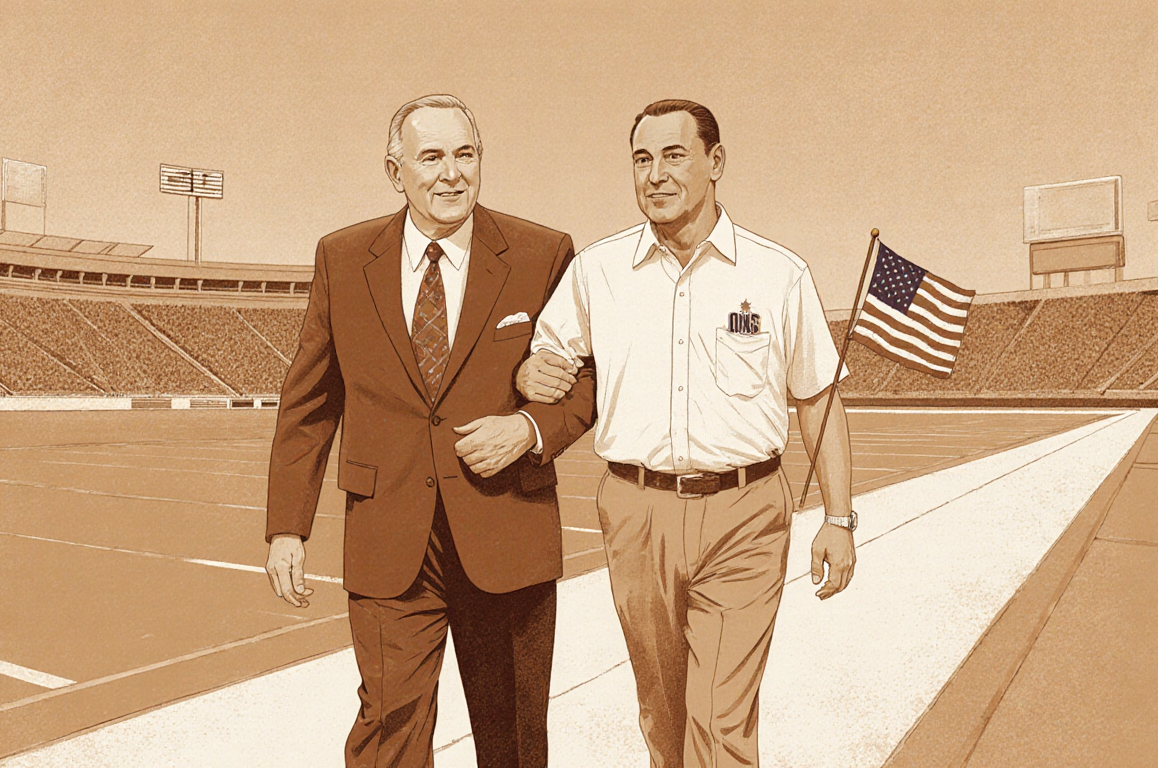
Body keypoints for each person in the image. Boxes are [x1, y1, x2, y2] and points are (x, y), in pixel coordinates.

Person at [516, 99, 857, 768]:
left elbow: (817, 399)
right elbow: (546, 355)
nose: (656, 174)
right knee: (663, 711)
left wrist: (839, 518)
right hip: (635, 512)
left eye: (674, 156)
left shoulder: (777, 274)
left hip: (745, 512)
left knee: (719, 721)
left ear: (715, 162)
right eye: (642, 159)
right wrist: (533, 370)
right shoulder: (597, 271)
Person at [265, 94, 596, 768]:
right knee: (388, 725)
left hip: (507, 528)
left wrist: (530, 428)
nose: (452, 174)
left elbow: (590, 379)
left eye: (466, 155)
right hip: (390, 536)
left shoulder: (543, 253)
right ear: (395, 172)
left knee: (512, 740)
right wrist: (286, 528)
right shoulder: (342, 257)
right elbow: (309, 402)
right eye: (432, 157)